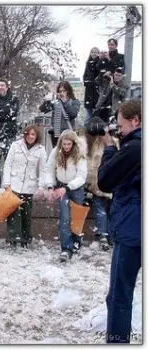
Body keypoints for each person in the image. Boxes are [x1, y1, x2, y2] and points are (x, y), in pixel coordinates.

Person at [98, 100, 141, 343]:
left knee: (119, 296)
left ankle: (117, 342)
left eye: (121, 125)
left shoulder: (135, 148)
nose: (119, 130)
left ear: (135, 121)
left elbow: (105, 181)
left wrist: (109, 148)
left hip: (133, 227)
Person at [44, 130, 88, 262]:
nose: (66, 147)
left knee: (77, 218)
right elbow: (49, 169)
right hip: (60, 185)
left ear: (73, 144)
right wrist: (50, 186)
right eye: (64, 144)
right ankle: (66, 248)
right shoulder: (55, 152)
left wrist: (68, 187)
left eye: (69, 144)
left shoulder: (80, 155)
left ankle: (76, 243)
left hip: (76, 188)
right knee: (64, 217)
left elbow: (81, 176)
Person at [2, 125, 47, 248]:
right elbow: (8, 164)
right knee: (13, 212)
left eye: (33, 134)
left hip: (29, 184)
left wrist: (41, 186)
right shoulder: (15, 145)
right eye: (28, 134)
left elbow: (43, 169)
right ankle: (13, 237)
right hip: (14, 182)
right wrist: (6, 183)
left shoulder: (41, 149)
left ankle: (25, 238)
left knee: (26, 212)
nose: (30, 137)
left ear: (36, 136)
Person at [83, 117, 118, 251]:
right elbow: (90, 166)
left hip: (107, 182)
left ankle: (108, 235)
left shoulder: (111, 142)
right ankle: (104, 235)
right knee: (100, 208)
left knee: (109, 209)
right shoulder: (90, 143)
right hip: (97, 184)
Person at [0, 79, 20, 196]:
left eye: (2, 85)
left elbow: (13, 114)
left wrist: (0, 113)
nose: (0, 87)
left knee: (9, 160)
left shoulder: (14, 99)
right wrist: (3, 112)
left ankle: (10, 185)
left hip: (10, 134)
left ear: (7, 87)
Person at [49, 81, 81, 148]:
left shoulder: (75, 102)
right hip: (56, 134)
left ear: (68, 91)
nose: (62, 93)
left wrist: (65, 102)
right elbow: (43, 109)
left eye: (64, 91)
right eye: (60, 91)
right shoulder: (55, 103)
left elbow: (73, 114)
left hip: (68, 133)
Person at [83, 47, 101, 121]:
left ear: (98, 53)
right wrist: (86, 81)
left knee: (96, 113)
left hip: (96, 90)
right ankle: (87, 129)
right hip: (89, 90)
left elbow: (100, 75)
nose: (94, 53)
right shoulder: (88, 63)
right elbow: (85, 75)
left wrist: (94, 82)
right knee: (88, 113)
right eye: (92, 52)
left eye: (96, 52)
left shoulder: (99, 63)